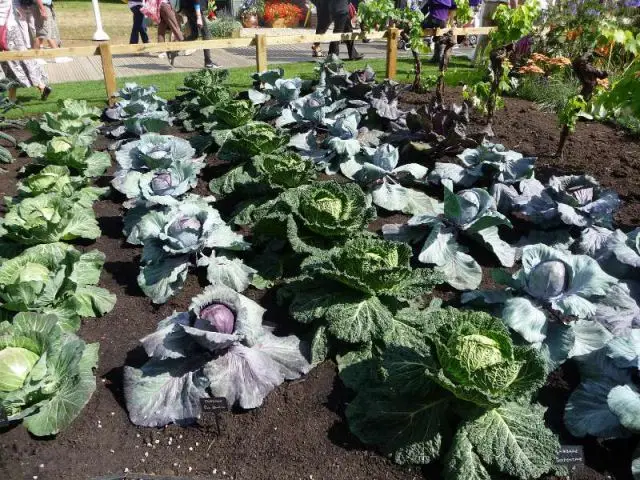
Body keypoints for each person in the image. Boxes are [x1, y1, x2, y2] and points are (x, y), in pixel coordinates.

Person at [0, 0, 52, 100]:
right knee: (19, 60)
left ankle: (41, 86)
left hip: (5, 30)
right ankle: (12, 98)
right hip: (13, 28)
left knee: (12, 63)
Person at [179, 0, 217, 68]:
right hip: (195, 10)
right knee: (206, 34)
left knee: (194, 35)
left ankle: (175, 48)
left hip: (189, 9)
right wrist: (199, 17)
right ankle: (208, 62)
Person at [156, 0, 184, 66]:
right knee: (176, 28)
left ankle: (162, 51)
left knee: (161, 29)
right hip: (166, 6)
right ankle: (185, 46)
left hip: (160, 5)